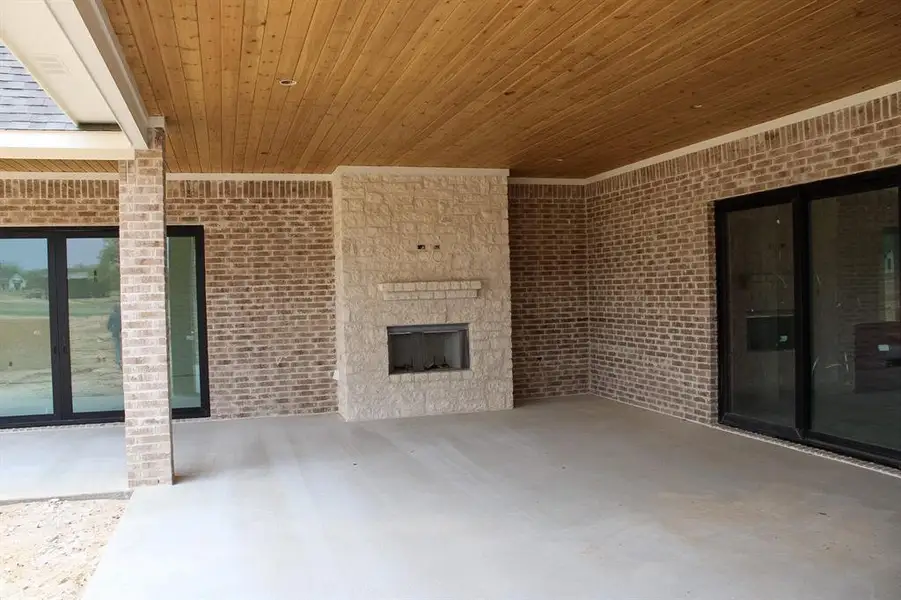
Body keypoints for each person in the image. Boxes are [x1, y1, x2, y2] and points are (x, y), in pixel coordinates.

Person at [107, 303, 122, 368]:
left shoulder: (112, 315)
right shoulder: (121, 314)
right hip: (122, 332)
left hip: (115, 333)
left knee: (117, 348)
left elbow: (108, 325)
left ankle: (118, 361)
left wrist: (111, 329)